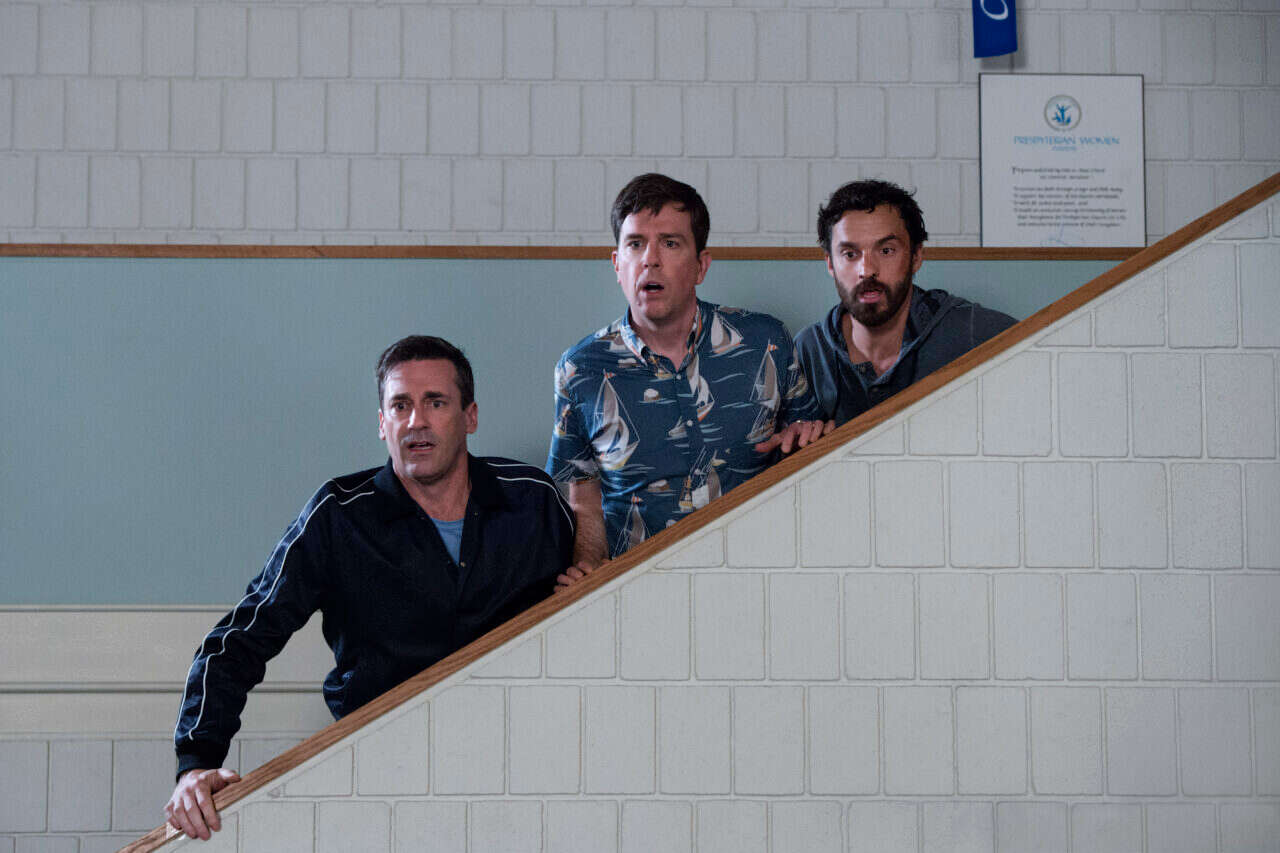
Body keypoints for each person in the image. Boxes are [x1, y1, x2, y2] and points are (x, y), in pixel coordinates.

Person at [165, 335, 573, 840]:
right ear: (382, 423)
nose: (416, 421)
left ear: (470, 416)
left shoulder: (533, 501)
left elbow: (588, 613)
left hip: (523, 773)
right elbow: (239, 640)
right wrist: (196, 763)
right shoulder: (338, 516)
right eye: (400, 406)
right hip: (379, 775)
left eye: (436, 403)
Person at [546, 173, 828, 580]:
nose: (650, 259)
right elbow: (584, 502)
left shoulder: (766, 341)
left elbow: (811, 446)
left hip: (757, 575)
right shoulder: (579, 370)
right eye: (635, 244)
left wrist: (807, 437)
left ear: (701, 266)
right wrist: (587, 568)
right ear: (617, 264)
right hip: (638, 586)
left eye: (670, 243)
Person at [795, 179, 1017, 426]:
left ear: (916, 256)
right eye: (850, 254)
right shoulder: (807, 350)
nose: (867, 270)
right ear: (830, 264)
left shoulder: (971, 331)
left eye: (886, 251)